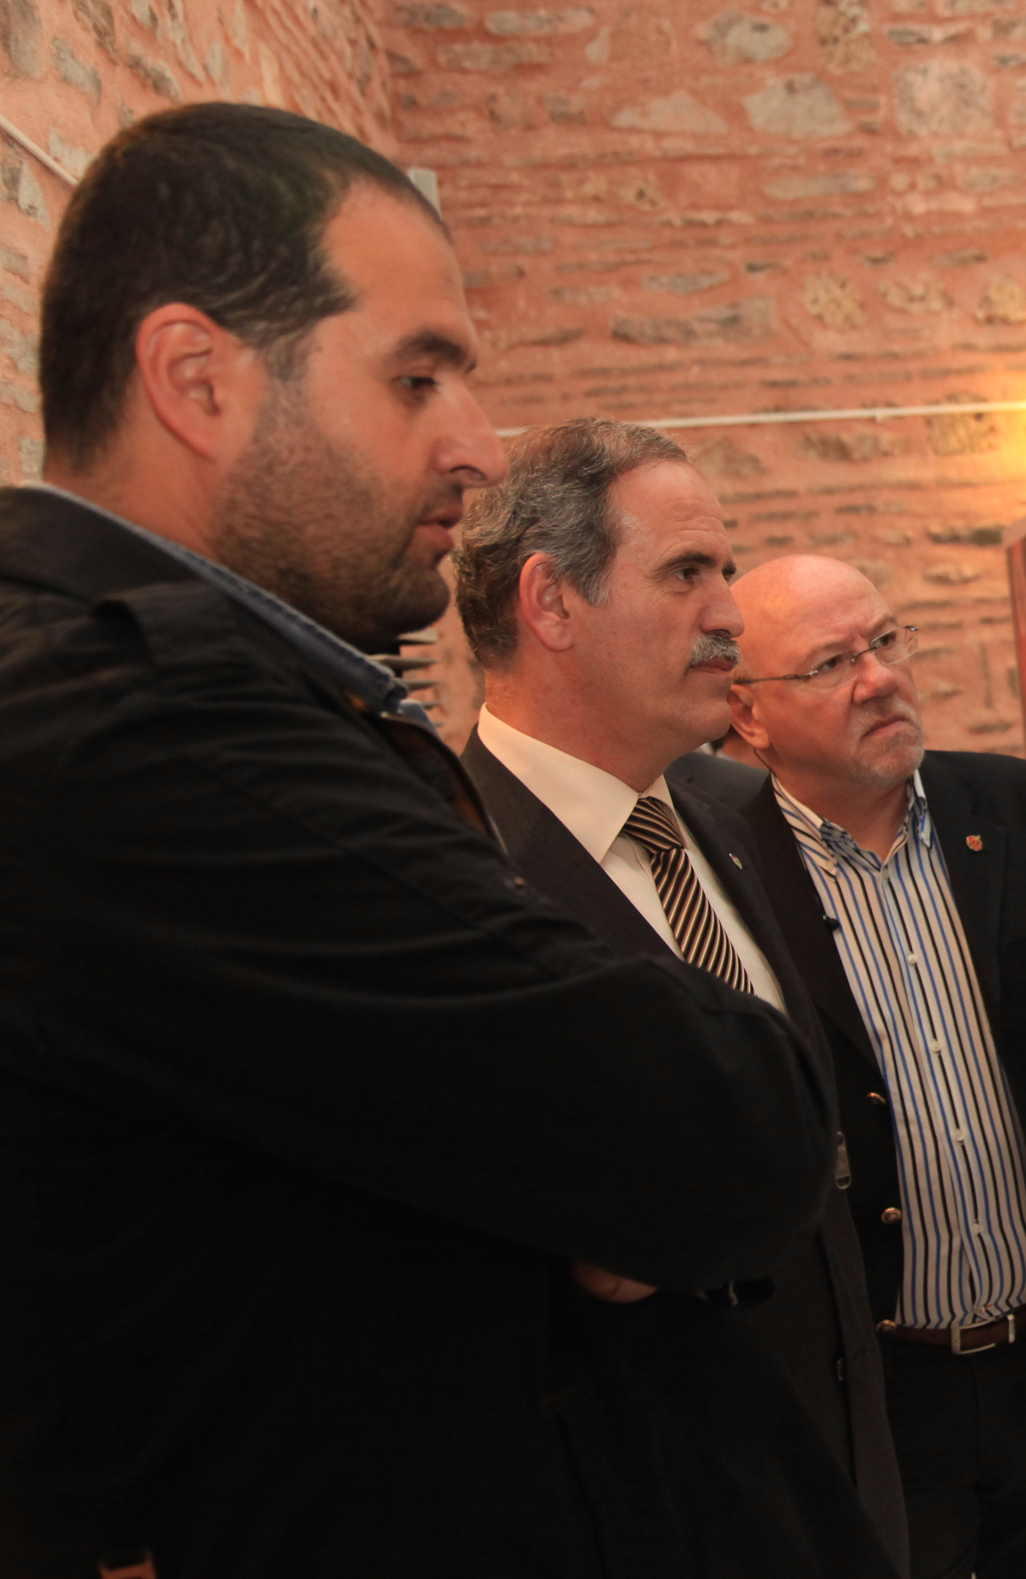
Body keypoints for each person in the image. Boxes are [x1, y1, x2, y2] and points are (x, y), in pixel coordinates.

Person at [0, 103, 842, 1578]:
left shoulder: (197, 688)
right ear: (196, 378)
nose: (475, 446)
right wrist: (606, 1177)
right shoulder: (138, 721)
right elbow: (726, 1129)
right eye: (415, 378)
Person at [449, 417, 905, 1573]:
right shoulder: (453, 876)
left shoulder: (726, 811)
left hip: (838, 1483)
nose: (729, 612)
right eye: (686, 572)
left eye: (726, 569)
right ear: (551, 602)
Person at [719, 554, 1026, 1579]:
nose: (878, 678)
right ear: (748, 713)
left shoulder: (1016, 804)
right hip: (873, 1385)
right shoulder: (721, 863)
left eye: (885, 640)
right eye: (829, 663)